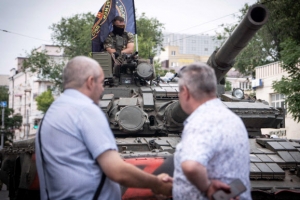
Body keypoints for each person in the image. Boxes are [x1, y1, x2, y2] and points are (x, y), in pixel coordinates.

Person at [35, 56, 172, 200]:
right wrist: (157, 183)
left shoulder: (53, 111)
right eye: (101, 83)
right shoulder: (85, 111)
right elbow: (117, 171)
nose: (102, 90)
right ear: (90, 82)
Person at [173, 63, 251, 200]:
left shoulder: (201, 120)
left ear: (185, 92)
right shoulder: (233, 119)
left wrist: (207, 187)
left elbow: (191, 166)